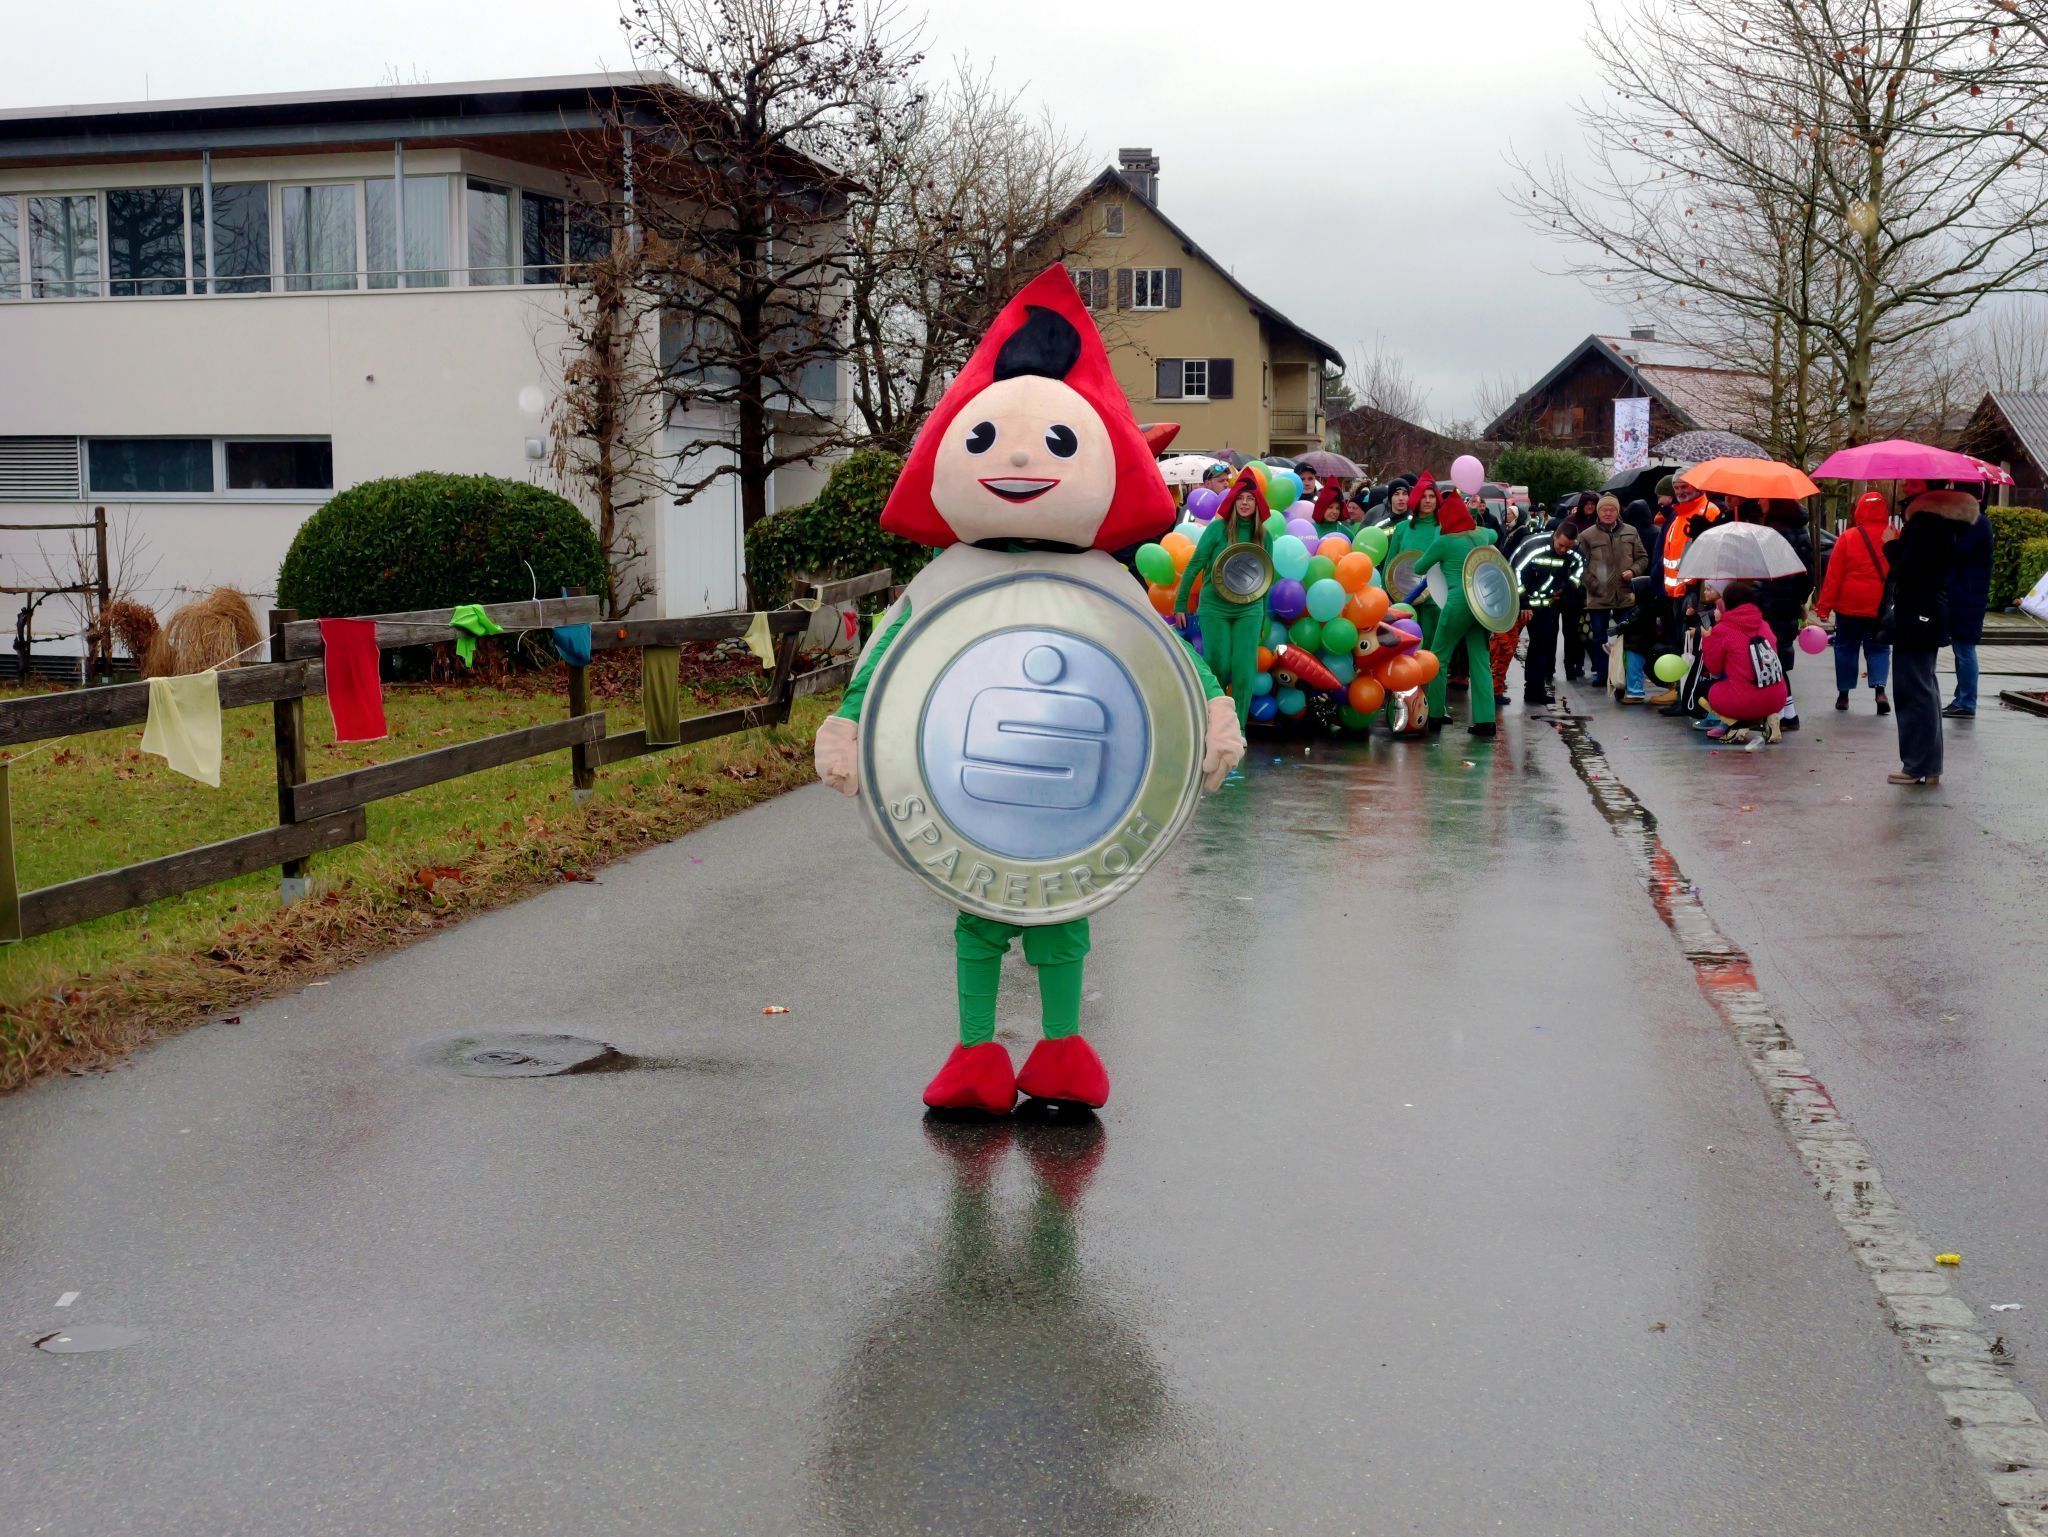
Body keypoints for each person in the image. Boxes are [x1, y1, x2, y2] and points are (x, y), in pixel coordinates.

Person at [1883, 491, 1969, 786]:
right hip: (1929, 615)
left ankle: (1917, 764)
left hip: (1917, 616)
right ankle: (1929, 764)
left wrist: (1891, 545)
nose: (1906, 487)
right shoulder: (1945, 525)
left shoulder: (1926, 525)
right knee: (1924, 687)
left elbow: (1911, 570)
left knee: (1912, 690)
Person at [1814, 490, 1892, 715]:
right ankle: (1879, 690)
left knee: (1846, 648)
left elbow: (1834, 576)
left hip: (1849, 604)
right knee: (1878, 648)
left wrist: (1824, 606)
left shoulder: (1848, 537)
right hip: (1879, 604)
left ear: (1859, 510)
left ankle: (1844, 694)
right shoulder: (1893, 534)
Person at [1698, 580, 1789, 746]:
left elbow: (1715, 669)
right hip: (1777, 698)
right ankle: (1769, 718)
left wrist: (1708, 640)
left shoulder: (1724, 629)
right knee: (1748, 690)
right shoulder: (1764, 625)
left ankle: (1737, 725)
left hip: (1744, 701)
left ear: (1726, 603)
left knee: (1704, 690)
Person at [1578, 493, 1648, 690]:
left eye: (1612, 510)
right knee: (1599, 638)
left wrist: (1633, 571)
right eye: (1604, 510)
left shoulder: (1631, 531)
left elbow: (1642, 557)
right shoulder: (1587, 536)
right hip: (1598, 597)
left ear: (1618, 512)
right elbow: (1579, 566)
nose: (1608, 513)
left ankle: (1625, 671)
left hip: (1625, 595)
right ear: (1598, 512)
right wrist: (1594, 585)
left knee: (1627, 637)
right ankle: (1602, 673)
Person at [1758, 500, 1815, 731]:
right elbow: (1806, 574)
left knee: (1773, 659)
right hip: (1788, 603)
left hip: (1774, 602)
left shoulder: (1775, 533)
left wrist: (1756, 592)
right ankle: (1787, 713)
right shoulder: (1799, 530)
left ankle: (1783, 714)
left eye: (1763, 498)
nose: (1760, 502)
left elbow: (1769, 572)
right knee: (1779, 657)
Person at [1516, 525, 1584, 706]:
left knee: (1540, 647)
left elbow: (1579, 571)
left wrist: (1567, 587)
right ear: (1555, 536)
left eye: (1567, 547)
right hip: (1518, 603)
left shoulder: (1574, 552)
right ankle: (1494, 689)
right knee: (1504, 647)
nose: (1563, 550)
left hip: (1545, 604)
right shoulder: (1534, 547)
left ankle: (1534, 690)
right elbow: (1513, 571)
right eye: (1561, 545)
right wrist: (1523, 603)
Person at [1945, 503, 1994, 718]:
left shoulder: (1977, 524)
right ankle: (1962, 698)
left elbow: (1959, 552)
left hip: (1968, 595)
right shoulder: (1976, 523)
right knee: (1961, 648)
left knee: (1964, 649)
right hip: (1967, 594)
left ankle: (1966, 702)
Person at [1617, 574, 1661, 702]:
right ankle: (1634, 691)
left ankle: (1635, 693)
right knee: (1638, 669)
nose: (1630, 595)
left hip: (1635, 646)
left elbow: (1633, 625)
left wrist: (1623, 627)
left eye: (1632, 592)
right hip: (1640, 644)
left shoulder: (1640, 610)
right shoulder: (1649, 608)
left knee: (1633, 669)